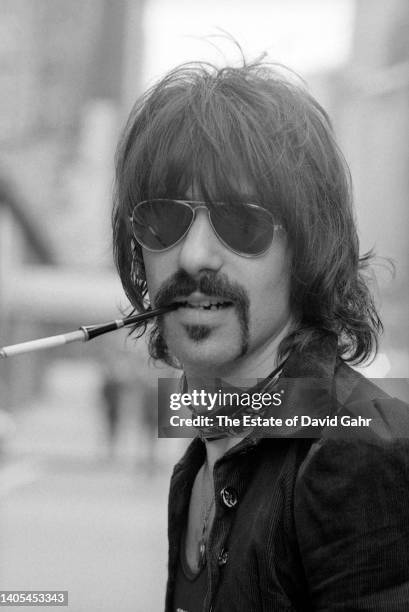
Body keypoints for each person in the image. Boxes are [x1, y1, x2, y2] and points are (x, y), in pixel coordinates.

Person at [111, 57, 409, 611]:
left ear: (307, 248)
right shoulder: (204, 454)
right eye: (163, 220)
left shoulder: (359, 451)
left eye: (241, 223)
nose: (194, 255)